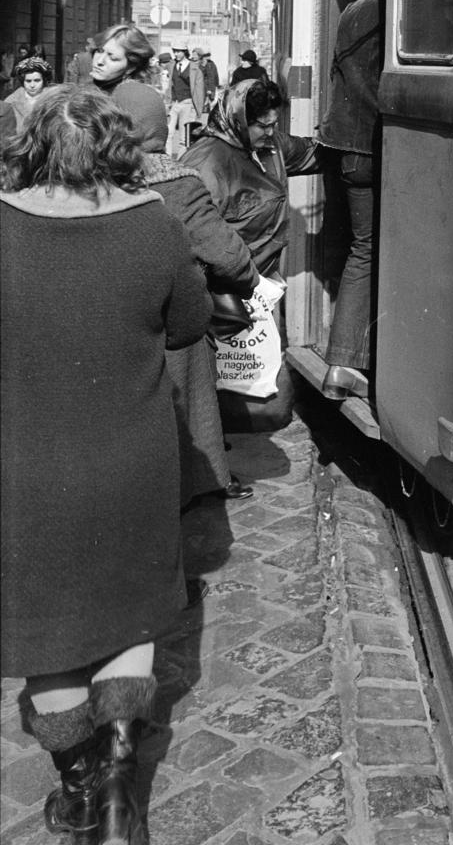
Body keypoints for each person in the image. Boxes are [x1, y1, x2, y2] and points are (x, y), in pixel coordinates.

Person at [1, 86, 210, 845]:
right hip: (132, 459)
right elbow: (188, 324)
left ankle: (81, 789)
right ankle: (124, 785)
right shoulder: (151, 226)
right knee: (127, 614)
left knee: (49, 641)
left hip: (24, 467)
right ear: (116, 146)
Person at [120, 88, 260, 505]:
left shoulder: (89, 176)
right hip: (166, 325)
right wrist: (247, 282)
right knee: (193, 358)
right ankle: (203, 476)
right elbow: (228, 258)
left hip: (104, 321)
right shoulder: (176, 182)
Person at [181, 79, 323, 430]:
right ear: (239, 120)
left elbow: (311, 152)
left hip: (259, 288)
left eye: (275, 124)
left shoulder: (270, 146)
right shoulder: (207, 162)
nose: (270, 132)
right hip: (221, 291)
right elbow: (193, 233)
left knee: (263, 402)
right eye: (263, 125)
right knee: (214, 390)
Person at [318, 0, 385, 398]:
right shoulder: (406, 11)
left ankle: (343, 364)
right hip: (376, 148)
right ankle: (346, 361)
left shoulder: (354, 11)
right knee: (372, 249)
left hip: (345, 149)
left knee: (363, 248)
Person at [4, 54, 54, 131]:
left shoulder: (52, 100)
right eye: (28, 81)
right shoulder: (11, 101)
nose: (32, 85)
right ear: (22, 81)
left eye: (37, 80)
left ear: (43, 81)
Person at [168, 48, 195, 153]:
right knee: (168, 133)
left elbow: (198, 87)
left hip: (187, 102)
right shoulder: (172, 65)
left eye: (178, 51)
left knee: (184, 136)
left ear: (184, 52)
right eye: (174, 51)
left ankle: (181, 162)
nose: (176, 54)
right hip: (174, 102)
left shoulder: (193, 67)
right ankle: (167, 161)